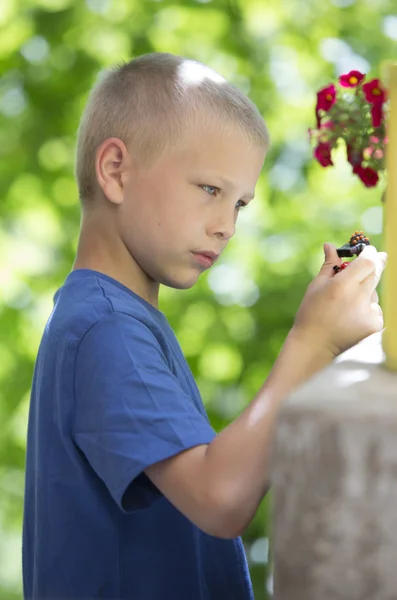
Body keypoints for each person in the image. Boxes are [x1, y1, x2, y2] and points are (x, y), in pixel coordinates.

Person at [22, 52, 387, 600]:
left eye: (239, 203)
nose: (227, 226)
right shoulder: (106, 328)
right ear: (116, 170)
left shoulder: (113, 319)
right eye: (210, 190)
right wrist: (312, 340)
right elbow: (220, 497)